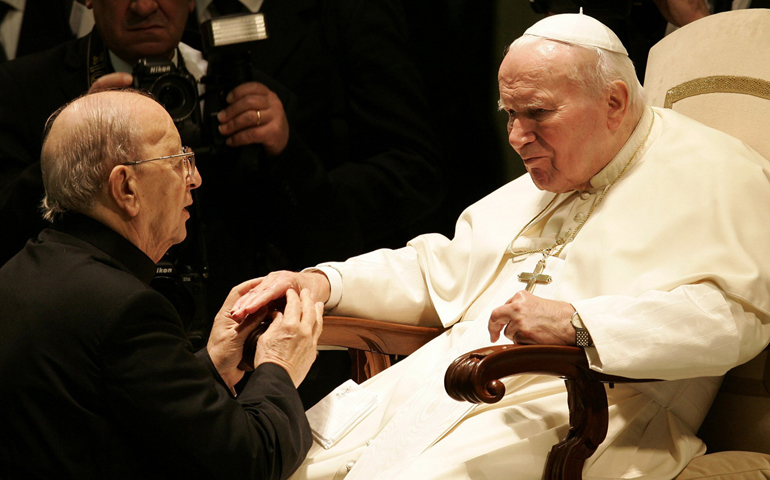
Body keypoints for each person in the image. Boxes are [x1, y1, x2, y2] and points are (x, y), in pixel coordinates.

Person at [229, 13, 770, 480]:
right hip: (448, 381)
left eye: (536, 113)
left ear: (614, 100)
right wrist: (323, 283)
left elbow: (734, 316)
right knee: (294, 463)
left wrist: (581, 324)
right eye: (510, 113)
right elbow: (435, 269)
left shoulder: (717, 171)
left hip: (597, 407)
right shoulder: (549, 177)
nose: (516, 136)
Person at [0, 89, 322, 479]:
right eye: (177, 161)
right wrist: (280, 366)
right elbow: (249, 462)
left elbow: (122, 418)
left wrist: (212, 364)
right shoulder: (125, 309)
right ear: (126, 189)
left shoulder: (19, 272)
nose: (195, 178)